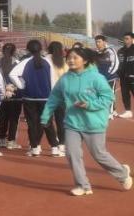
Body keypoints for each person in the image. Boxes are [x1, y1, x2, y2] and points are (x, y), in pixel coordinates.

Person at [41, 47, 133, 196]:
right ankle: (82, 185)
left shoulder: (96, 77)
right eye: (69, 58)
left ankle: (122, 174)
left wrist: (89, 105)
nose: (71, 60)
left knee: (99, 154)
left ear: (84, 61)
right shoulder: (65, 79)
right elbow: (54, 98)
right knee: (72, 153)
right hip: (72, 122)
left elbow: (108, 98)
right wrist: (45, 116)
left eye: (75, 58)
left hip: (93, 122)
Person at [9, 39, 60, 157]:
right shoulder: (47, 62)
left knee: (32, 124)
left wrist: (22, 85)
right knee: (47, 122)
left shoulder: (25, 62)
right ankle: (54, 148)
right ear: (41, 49)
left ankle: (35, 148)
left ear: (28, 50)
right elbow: (53, 80)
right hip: (46, 98)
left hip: (29, 98)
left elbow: (12, 74)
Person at [0, 43, 23, 149]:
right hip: (15, 94)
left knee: (3, 117)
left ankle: (2, 140)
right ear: (14, 51)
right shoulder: (18, 63)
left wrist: (4, 88)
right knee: (14, 119)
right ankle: (11, 141)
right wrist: (13, 88)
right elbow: (21, 79)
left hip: (3, 94)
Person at [46, 41, 68, 155]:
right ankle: (62, 144)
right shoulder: (63, 63)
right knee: (61, 120)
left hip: (47, 95)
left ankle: (53, 144)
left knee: (47, 121)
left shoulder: (44, 60)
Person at [94, 34, 120, 118]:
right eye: (96, 42)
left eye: (99, 42)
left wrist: (108, 74)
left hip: (110, 78)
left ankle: (110, 113)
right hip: (100, 78)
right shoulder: (96, 53)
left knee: (110, 94)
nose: (97, 43)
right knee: (100, 95)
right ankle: (112, 110)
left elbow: (115, 63)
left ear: (104, 42)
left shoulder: (110, 50)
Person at [118, 32, 134, 118]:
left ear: (132, 39)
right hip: (123, 77)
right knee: (125, 94)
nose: (125, 40)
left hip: (133, 77)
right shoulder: (120, 51)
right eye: (124, 39)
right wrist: (118, 73)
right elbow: (118, 63)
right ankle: (128, 111)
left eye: (127, 38)